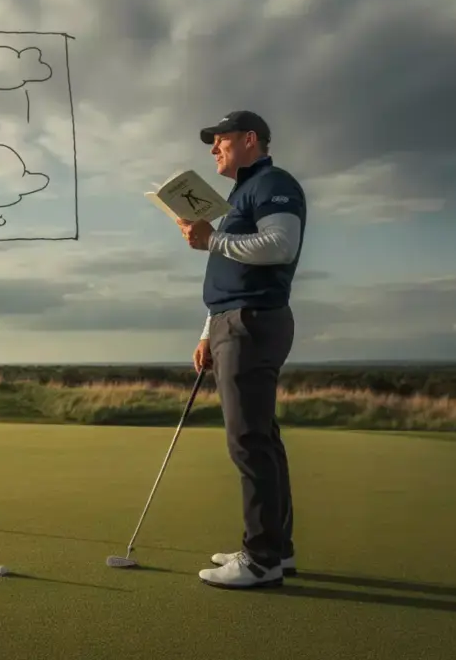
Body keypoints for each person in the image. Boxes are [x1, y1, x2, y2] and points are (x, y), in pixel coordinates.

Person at [176, 110, 307, 590]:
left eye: (221, 140)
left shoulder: (274, 182)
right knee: (262, 439)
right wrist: (209, 332)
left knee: (249, 442)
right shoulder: (239, 195)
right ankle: (276, 549)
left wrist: (213, 238)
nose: (214, 148)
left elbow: (280, 244)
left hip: (253, 322)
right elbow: (227, 279)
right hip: (234, 321)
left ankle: (261, 558)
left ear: (250, 140)